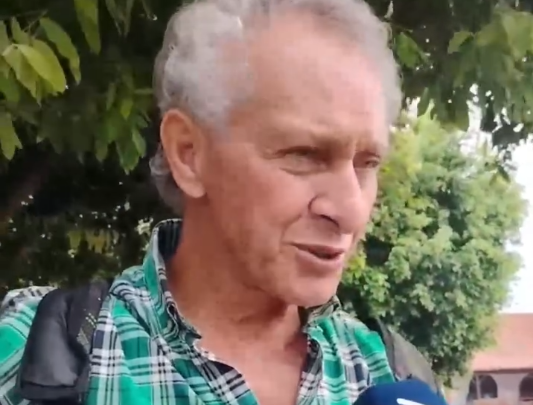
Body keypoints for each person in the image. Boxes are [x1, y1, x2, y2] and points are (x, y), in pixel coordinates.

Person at [0, 0, 436, 404]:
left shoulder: (392, 374)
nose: (351, 210)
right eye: (304, 155)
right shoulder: (33, 351)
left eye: (367, 163)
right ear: (189, 154)